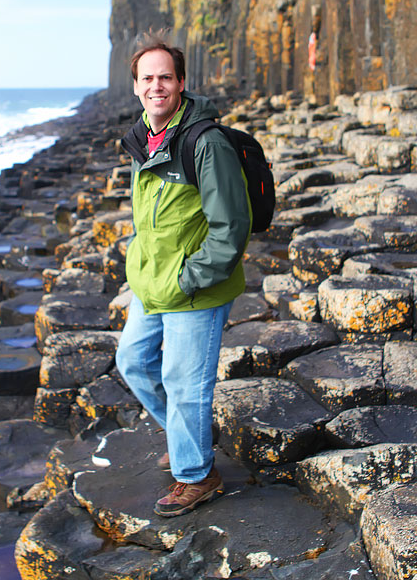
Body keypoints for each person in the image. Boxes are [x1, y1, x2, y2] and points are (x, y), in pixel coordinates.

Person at [116, 35, 251, 517]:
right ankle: (189, 434)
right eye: (147, 78)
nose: (157, 86)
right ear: (135, 86)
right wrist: (139, 270)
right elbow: (150, 220)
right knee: (132, 361)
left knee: (184, 383)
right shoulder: (142, 138)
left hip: (194, 287)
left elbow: (231, 227)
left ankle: (197, 475)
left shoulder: (205, 142)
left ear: (181, 83)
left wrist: (189, 279)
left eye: (166, 77)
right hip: (152, 282)